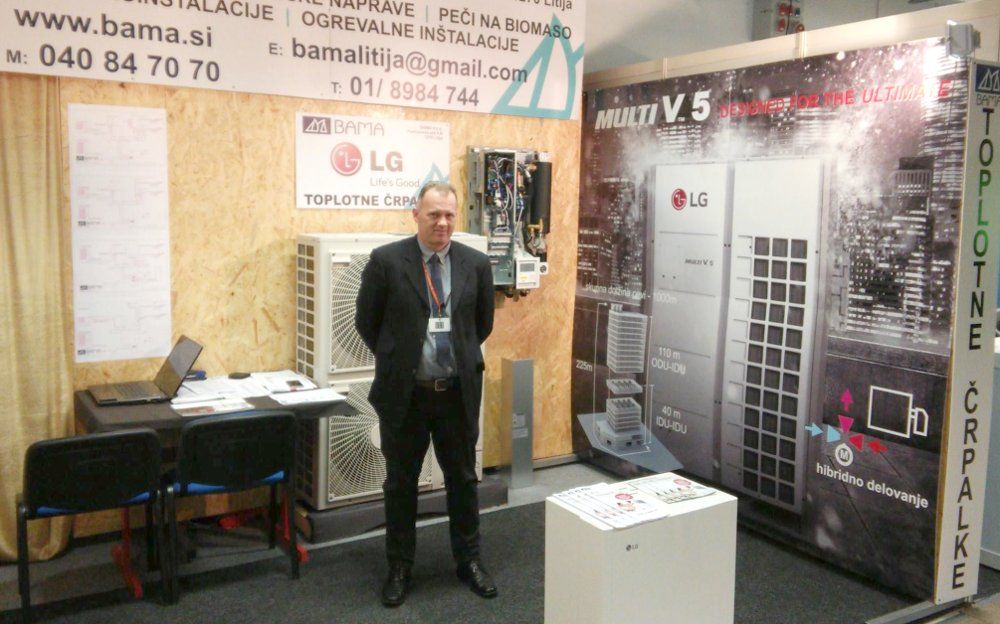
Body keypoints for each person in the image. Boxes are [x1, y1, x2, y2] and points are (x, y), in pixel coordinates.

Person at [355, 181, 497, 607]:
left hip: (456, 394)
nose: (443, 222)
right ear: (416, 214)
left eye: (450, 215)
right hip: (407, 396)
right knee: (401, 484)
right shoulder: (386, 261)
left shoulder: (476, 263)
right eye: (434, 214)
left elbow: (481, 325)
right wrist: (401, 358)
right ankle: (399, 567)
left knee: (463, 480)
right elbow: (367, 323)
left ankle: (469, 561)